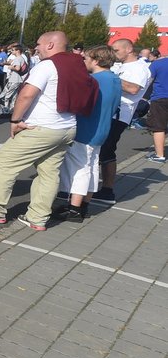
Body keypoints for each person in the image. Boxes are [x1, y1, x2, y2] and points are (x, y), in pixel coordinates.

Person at [0, 31, 98, 230]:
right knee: (49, 173)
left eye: (39, 44)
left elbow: (27, 95)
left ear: (51, 45)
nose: (36, 48)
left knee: (4, 163)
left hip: (42, 127)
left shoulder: (48, 65)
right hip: (67, 126)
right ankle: (38, 217)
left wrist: (16, 119)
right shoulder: (77, 64)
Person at [53, 45, 121, 221]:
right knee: (91, 167)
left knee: (79, 168)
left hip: (86, 129)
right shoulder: (114, 79)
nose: (84, 61)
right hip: (102, 129)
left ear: (96, 60)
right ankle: (83, 205)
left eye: (86, 58)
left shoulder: (94, 80)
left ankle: (74, 208)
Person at [95, 39, 153, 201]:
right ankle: (93, 187)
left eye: (116, 50)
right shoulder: (117, 65)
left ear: (129, 49)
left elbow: (134, 89)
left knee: (107, 149)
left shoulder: (140, 68)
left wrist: (107, 77)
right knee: (98, 149)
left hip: (120, 114)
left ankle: (107, 190)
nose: (113, 53)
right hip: (106, 111)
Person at [147, 53, 168, 164]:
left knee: (159, 127)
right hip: (161, 97)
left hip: (161, 97)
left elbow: (147, 80)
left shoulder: (157, 64)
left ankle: (159, 155)